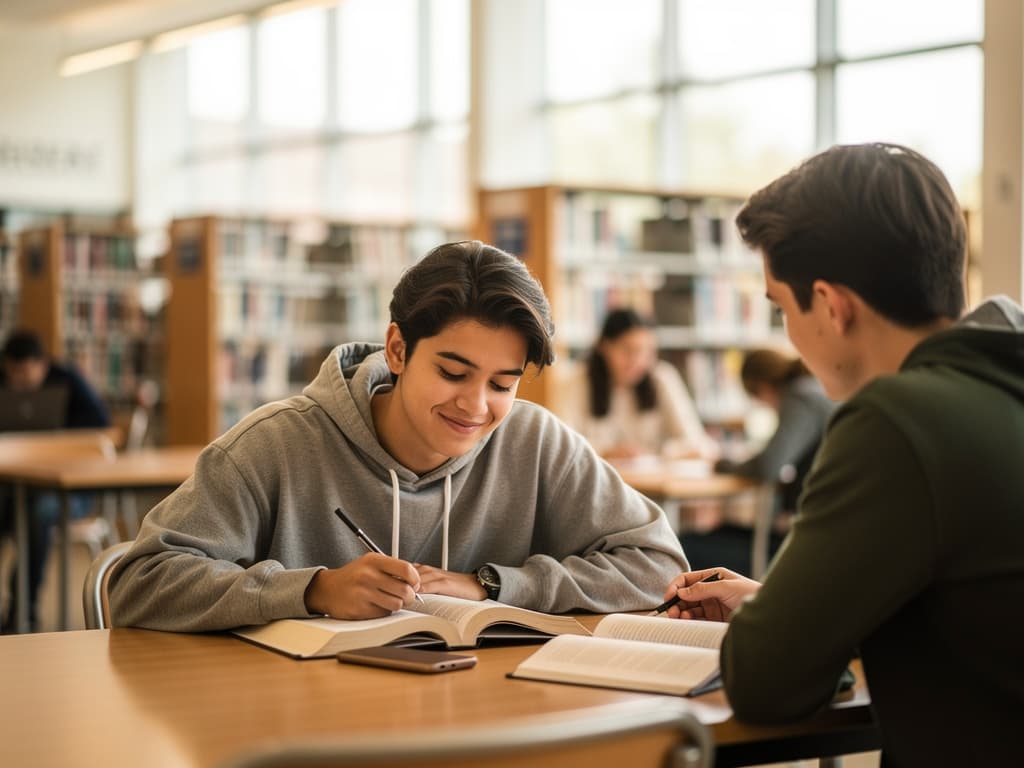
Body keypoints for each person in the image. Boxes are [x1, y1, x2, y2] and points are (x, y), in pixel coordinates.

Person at [660, 143, 1024, 766]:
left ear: (831, 305)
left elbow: (766, 682)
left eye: (781, 308)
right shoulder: (1001, 376)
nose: (789, 338)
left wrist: (777, 630)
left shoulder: (895, 423)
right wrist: (781, 603)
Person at [108, 241, 688, 631]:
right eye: (453, 373)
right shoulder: (274, 445)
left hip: (481, 723)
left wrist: (494, 586)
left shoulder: (536, 442)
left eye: (502, 384)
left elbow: (658, 567)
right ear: (397, 349)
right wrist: (310, 592)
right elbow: (139, 582)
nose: (475, 405)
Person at [682, 348, 835, 574]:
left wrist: (725, 464)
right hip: (820, 529)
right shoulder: (816, 389)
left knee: (687, 544)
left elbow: (767, 465)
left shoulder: (800, 397)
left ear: (762, 388)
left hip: (810, 541)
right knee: (710, 534)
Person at [0, 328, 111, 632]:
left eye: (24, 372)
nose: (18, 381)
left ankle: (24, 607)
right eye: (11, 372)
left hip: (67, 490)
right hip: (12, 487)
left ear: (42, 364)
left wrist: (58, 438)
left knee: (40, 512)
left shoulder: (68, 380)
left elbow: (102, 424)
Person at [554, 308, 717, 461]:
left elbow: (696, 441)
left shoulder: (661, 378)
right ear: (604, 347)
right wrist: (605, 452)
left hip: (654, 484)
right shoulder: (577, 381)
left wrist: (665, 452)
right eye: (628, 350)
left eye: (647, 352)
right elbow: (563, 446)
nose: (637, 361)